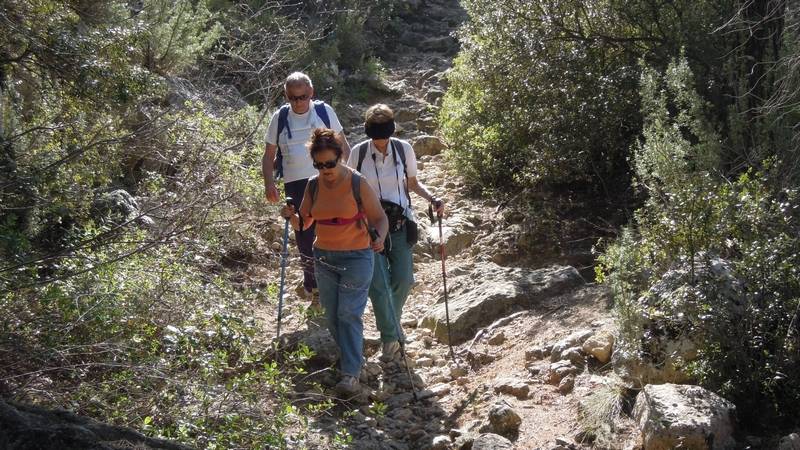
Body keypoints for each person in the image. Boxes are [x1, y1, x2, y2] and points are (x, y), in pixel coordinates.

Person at [280, 128, 388, 395]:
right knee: (331, 315)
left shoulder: (357, 182)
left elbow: (380, 218)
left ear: (340, 156)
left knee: (348, 313)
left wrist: (381, 238)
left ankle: (350, 374)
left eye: (330, 163)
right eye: (319, 164)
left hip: (357, 256)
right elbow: (303, 223)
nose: (325, 168)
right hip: (324, 256)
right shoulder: (313, 185)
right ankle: (352, 360)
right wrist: (289, 215)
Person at [347, 104, 445, 362]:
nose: (380, 143)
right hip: (370, 229)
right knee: (378, 286)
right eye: (375, 137)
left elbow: (411, 183)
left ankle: (391, 325)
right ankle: (391, 339)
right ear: (369, 133)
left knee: (403, 280)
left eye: (384, 136)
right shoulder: (357, 154)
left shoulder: (404, 149)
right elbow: (350, 191)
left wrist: (433, 198)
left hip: (400, 223)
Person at [263, 72, 352, 306]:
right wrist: (269, 183)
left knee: (333, 230)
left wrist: (346, 177)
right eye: (293, 98)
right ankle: (313, 287)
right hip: (295, 184)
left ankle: (337, 283)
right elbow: (269, 154)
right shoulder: (280, 117)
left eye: (302, 97)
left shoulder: (324, 112)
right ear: (286, 96)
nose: (298, 102)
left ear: (311, 93)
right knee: (304, 235)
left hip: (328, 179)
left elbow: (344, 146)